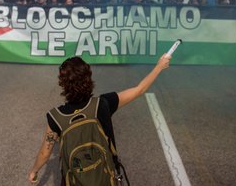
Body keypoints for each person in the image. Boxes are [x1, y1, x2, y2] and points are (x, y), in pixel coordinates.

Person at [27, 54, 171, 184]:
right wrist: (159, 67)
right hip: (105, 177)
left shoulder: (56, 117)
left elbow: (45, 153)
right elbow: (139, 89)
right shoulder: (103, 104)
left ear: (63, 84)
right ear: (88, 78)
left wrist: (34, 171)